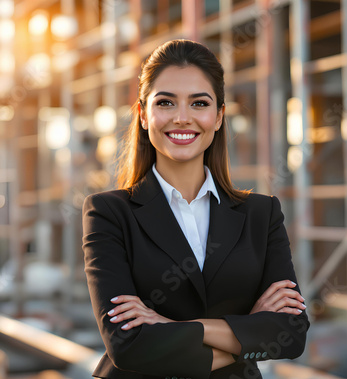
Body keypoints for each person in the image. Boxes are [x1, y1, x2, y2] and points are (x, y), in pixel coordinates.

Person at [82, 39, 309, 379]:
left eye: (199, 103)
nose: (183, 118)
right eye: (166, 102)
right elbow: (127, 346)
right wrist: (246, 332)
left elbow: (290, 334)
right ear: (144, 115)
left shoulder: (261, 215)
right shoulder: (108, 213)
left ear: (218, 117)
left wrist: (176, 327)